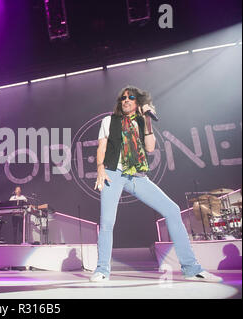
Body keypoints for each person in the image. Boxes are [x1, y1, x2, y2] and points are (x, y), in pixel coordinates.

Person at [90, 85, 222, 282]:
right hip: (113, 172)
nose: (126, 100)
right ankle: (102, 269)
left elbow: (150, 148)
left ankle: (191, 268)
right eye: (123, 98)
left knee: (172, 209)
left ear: (138, 102)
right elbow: (102, 146)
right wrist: (100, 167)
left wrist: (148, 120)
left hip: (136, 174)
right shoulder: (109, 121)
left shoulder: (143, 122)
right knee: (107, 222)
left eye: (131, 97)